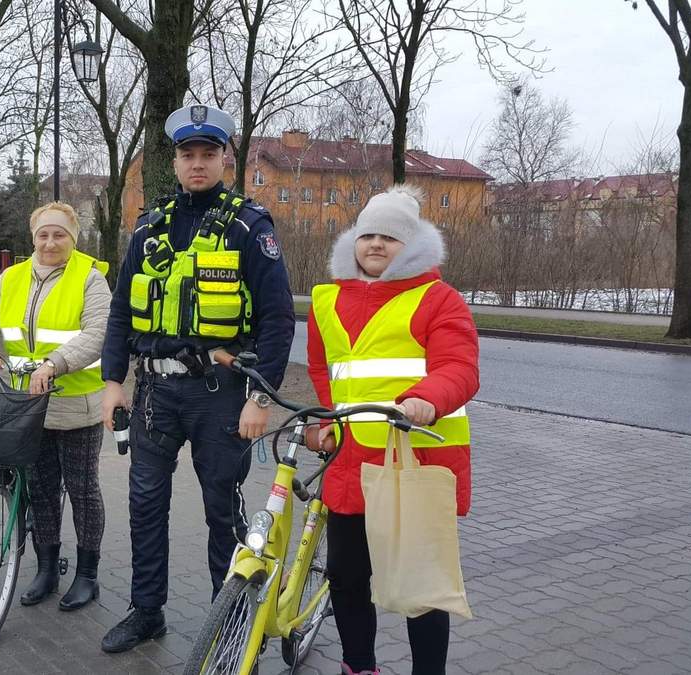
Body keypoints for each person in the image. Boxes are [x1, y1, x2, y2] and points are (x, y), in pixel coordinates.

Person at [98, 104, 295, 653]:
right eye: (188, 155)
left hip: (220, 395)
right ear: (176, 161)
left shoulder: (249, 228)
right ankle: (146, 611)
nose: (198, 164)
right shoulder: (149, 226)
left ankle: (228, 621)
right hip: (157, 392)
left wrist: (260, 396)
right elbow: (120, 312)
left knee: (219, 509)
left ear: (225, 159)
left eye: (209, 154)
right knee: (145, 503)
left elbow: (279, 319)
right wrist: (114, 381)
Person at [304, 184, 479, 675]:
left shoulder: (438, 299)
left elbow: (460, 367)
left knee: (421, 585)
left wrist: (428, 399)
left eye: (390, 237)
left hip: (412, 460)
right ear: (353, 242)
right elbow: (324, 369)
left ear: (413, 245)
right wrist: (326, 416)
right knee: (346, 576)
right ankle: (358, 666)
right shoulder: (325, 300)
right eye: (368, 235)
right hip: (349, 461)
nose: (376, 244)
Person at [0, 202, 112, 611]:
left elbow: (99, 333)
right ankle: (47, 568)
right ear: (33, 238)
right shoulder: (12, 277)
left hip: (75, 404)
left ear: (73, 238)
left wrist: (54, 364)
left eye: (59, 234)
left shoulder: (90, 278)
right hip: (25, 406)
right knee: (42, 490)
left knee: (82, 492)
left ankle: (87, 575)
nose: (50, 242)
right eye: (43, 234)